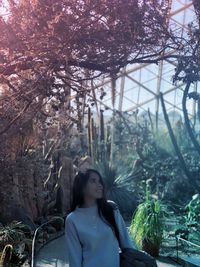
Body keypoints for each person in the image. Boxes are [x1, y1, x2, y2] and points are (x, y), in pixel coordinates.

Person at [64, 168, 137, 267]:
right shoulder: (72, 220)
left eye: (100, 181)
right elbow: (75, 259)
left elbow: (127, 243)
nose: (100, 185)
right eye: (93, 181)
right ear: (82, 187)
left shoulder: (110, 209)